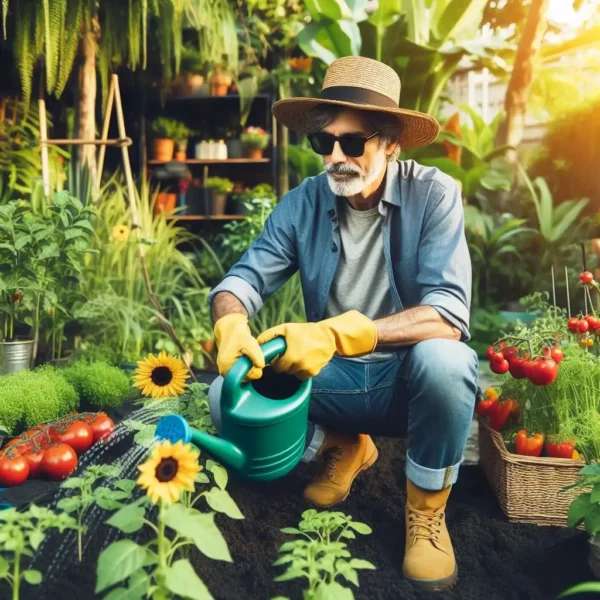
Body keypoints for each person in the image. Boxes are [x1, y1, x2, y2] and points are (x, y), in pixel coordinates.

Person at [206, 56, 478, 592]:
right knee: (222, 395)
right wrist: (230, 323)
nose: (335, 156)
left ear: (391, 143)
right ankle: (347, 442)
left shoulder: (434, 195)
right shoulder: (303, 202)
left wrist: (342, 332)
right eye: (323, 142)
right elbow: (241, 281)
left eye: (352, 143)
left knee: (448, 363)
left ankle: (425, 509)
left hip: (406, 380)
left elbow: (448, 315)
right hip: (336, 381)